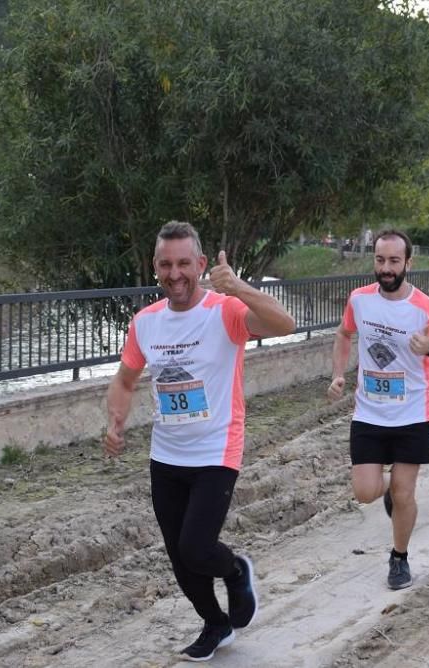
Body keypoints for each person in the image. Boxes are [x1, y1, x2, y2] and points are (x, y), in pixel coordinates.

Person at [103, 221, 296, 661]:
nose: (175, 274)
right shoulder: (146, 323)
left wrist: (240, 287)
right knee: (179, 558)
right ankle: (215, 623)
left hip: (216, 450)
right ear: (156, 266)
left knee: (196, 547)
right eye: (166, 264)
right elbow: (125, 378)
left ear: (201, 264)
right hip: (166, 455)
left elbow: (284, 323)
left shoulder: (224, 311)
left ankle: (234, 570)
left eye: (184, 264)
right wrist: (116, 420)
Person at [327, 229, 429, 591]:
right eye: (379, 260)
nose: (386, 268)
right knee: (363, 491)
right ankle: (390, 486)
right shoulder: (359, 300)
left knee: (405, 494)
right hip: (369, 414)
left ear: (408, 263)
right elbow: (344, 334)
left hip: (412, 416)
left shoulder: (424, 308)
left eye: (393, 261)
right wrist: (339, 375)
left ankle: (399, 558)